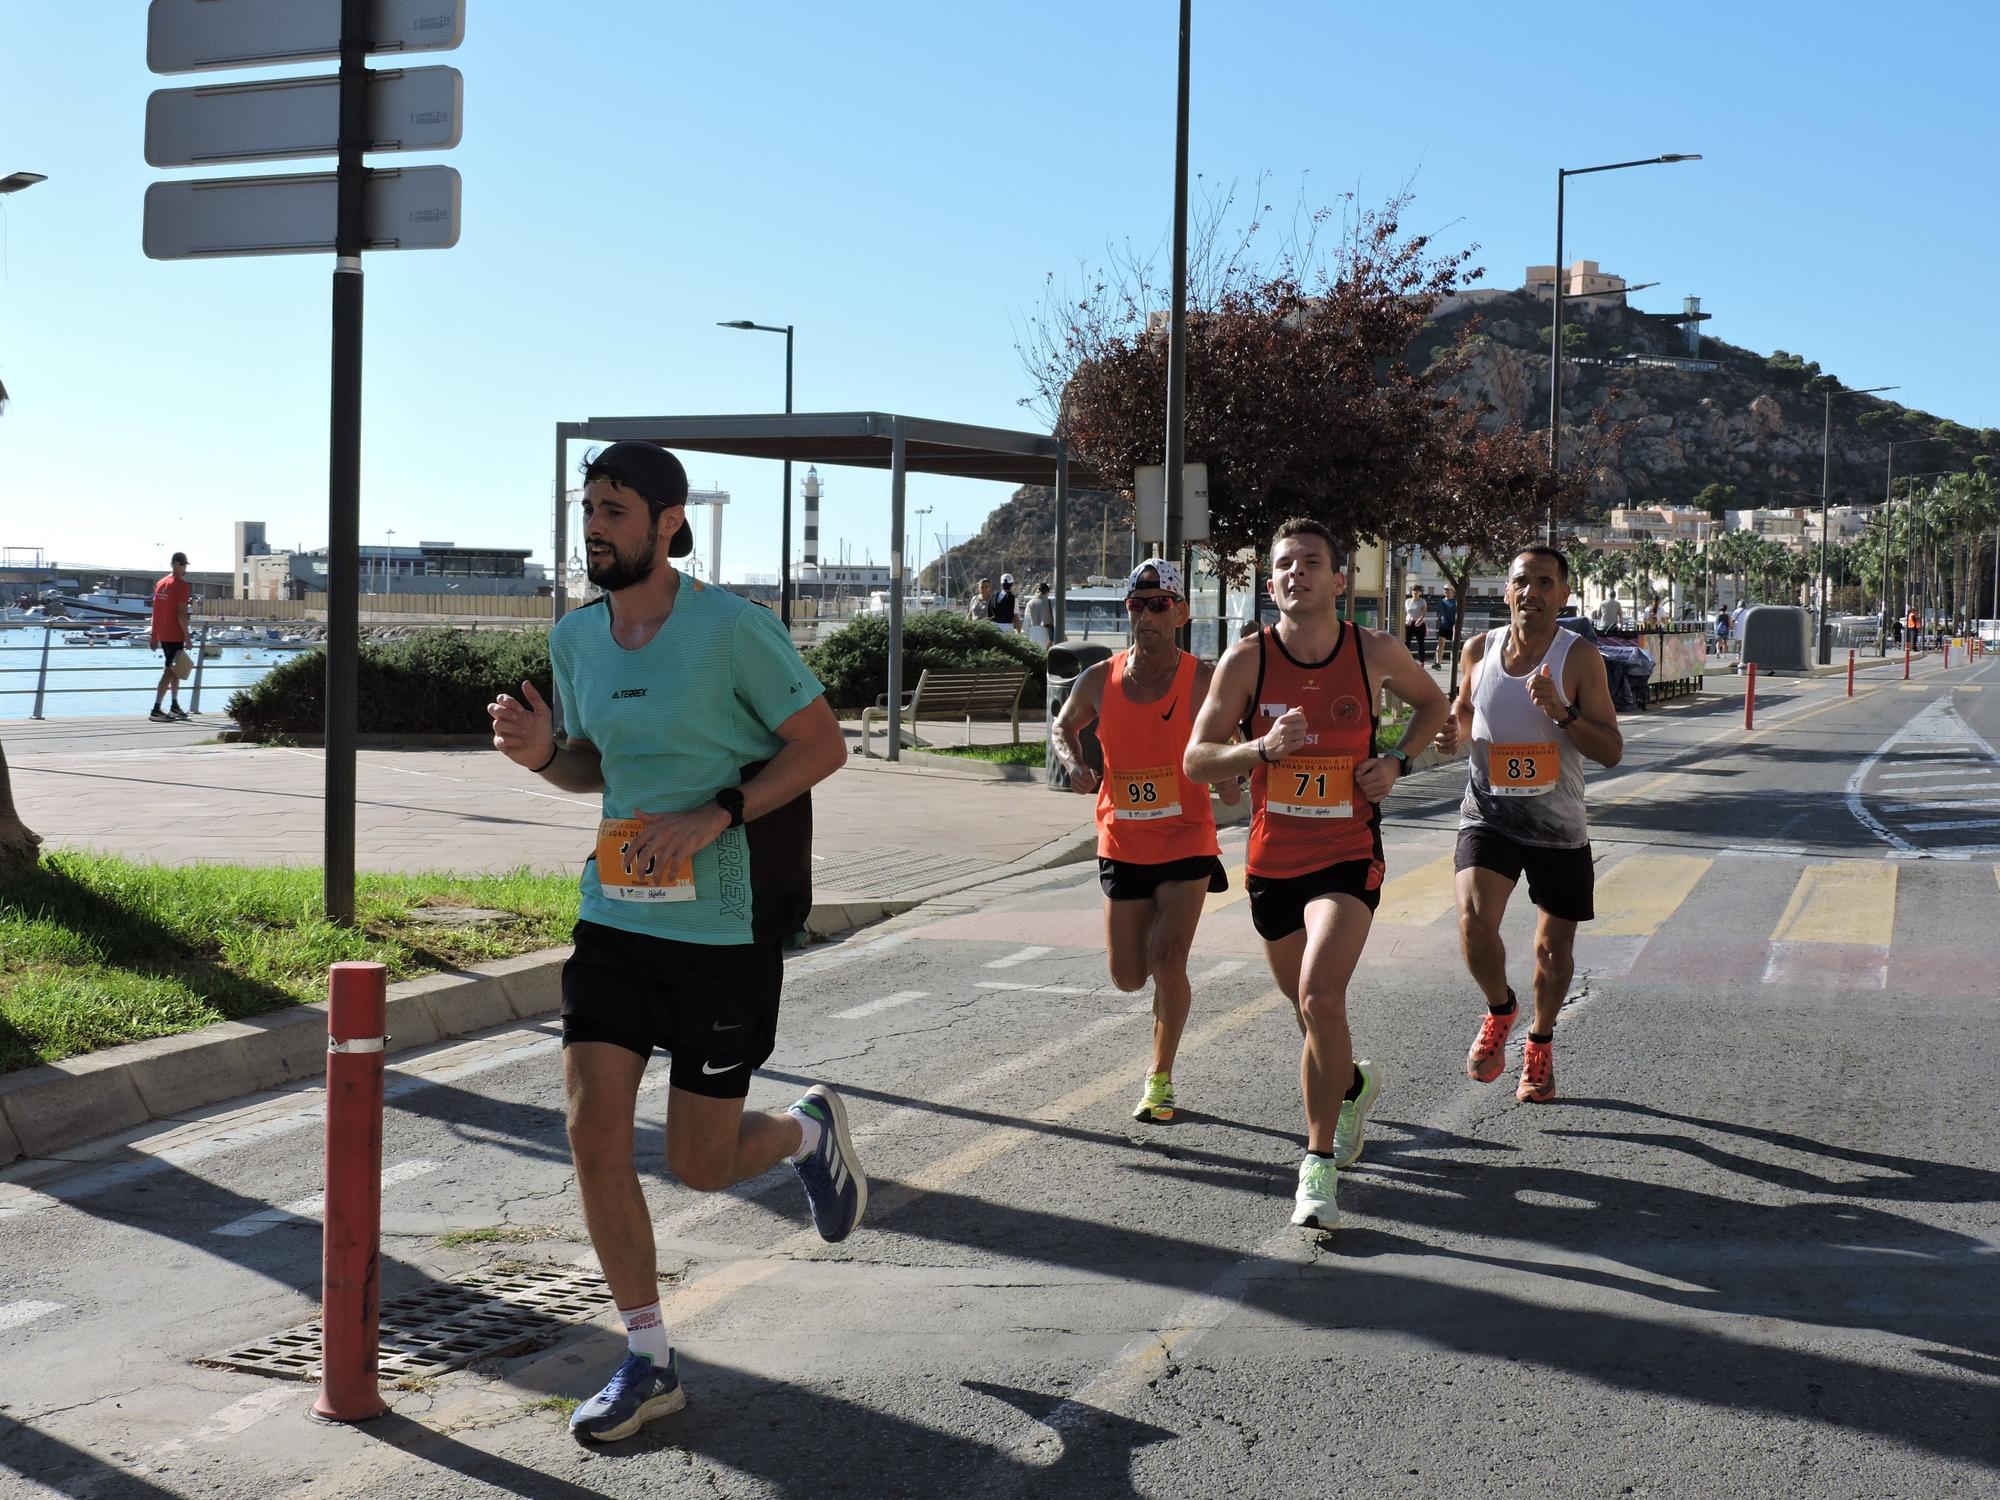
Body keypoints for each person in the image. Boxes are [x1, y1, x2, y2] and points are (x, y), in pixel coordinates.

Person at [486, 440, 858, 1443]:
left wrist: (717, 814)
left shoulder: (733, 631)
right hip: (612, 917)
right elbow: (592, 768)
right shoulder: (577, 640)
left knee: (698, 1163)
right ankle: (648, 1358)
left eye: (613, 510)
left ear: (665, 522)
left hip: (719, 934)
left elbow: (821, 745)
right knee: (592, 1135)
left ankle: (805, 1134)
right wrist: (541, 758)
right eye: (588, 508)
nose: (594, 526)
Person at [1186, 519, 1450, 1231]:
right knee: (1308, 1014)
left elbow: (1435, 704)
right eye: (1283, 565)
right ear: (1269, 584)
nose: (1296, 572)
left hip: (1348, 850)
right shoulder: (1246, 661)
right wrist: (1260, 749)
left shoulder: (1374, 651)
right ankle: (1354, 1083)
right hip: (1273, 860)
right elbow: (1195, 758)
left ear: (1341, 580)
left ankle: (1318, 1166)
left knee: (1321, 996)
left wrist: (1397, 760)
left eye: (1311, 561)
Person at [1052, 558, 1242, 1124]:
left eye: (1160, 605)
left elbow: (1231, 735)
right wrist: (1074, 764)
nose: (1148, 615)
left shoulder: (1202, 679)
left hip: (1186, 838)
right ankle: (1159, 1042)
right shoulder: (1100, 680)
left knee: (1167, 959)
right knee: (1128, 976)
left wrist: (1231, 773)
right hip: (1122, 842)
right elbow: (1065, 725)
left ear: (1181, 613)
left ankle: (1159, 1079)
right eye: (1139, 605)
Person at [1435, 545, 1622, 1108]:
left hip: (1557, 824)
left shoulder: (1579, 658)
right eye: (1522, 581)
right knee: (1472, 922)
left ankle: (1539, 1041)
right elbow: (1465, 712)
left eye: (1545, 582)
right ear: (1508, 590)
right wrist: (1452, 734)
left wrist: (1562, 712)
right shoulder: (1478, 649)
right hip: (1488, 814)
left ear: (1563, 595)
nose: (1531, 592)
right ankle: (1499, 1009)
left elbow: (1611, 750)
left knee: (1551, 950)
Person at [148, 551, 193, 721]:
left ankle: (174, 705)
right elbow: (181, 614)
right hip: (175, 634)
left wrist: (154, 635)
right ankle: (156, 709)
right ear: (180, 565)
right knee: (169, 671)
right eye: (184, 566)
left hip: (162, 633)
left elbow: (155, 611)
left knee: (176, 669)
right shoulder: (181, 585)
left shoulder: (161, 583)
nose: (184, 569)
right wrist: (187, 637)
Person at [1434, 584, 1458, 670]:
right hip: (1444, 626)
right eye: (1445, 589)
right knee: (1440, 644)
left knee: (1454, 646)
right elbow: (1439, 614)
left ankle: (1453, 664)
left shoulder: (1455, 602)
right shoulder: (1441, 602)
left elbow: (1458, 614)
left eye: (1447, 589)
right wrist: (1440, 623)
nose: (1446, 591)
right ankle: (1438, 663)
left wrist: (1456, 625)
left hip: (1454, 626)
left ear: (1452, 591)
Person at [1403, 583, 1428, 663]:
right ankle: (1406, 660)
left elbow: (1424, 612)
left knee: (1420, 643)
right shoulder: (1407, 601)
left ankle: (1422, 662)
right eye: (1414, 590)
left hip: (1419, 624)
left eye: (1417, 591)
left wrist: (1420, 619)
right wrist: (1404, 621)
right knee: (1406, 642)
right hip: (1409, 624)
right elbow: (1405, 612)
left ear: (1420, 592)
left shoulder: (1422, 601)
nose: (1415, 592)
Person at [1025, 581, 1054, 647]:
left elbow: (1026, 623)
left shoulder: (1030, 603)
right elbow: (1055, 621)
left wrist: (1025, 636)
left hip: (1033, 632)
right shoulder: (1050, 603)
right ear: (1047, 592)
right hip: (1045, 632)